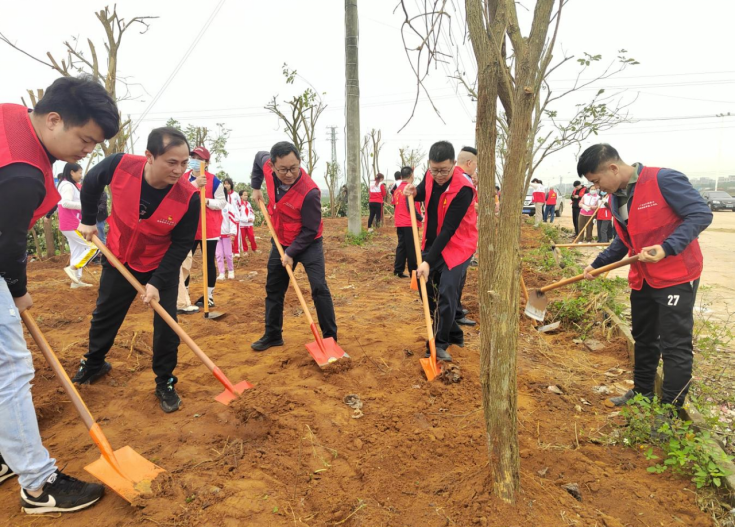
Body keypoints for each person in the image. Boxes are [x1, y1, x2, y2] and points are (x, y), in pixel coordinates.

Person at [1, 75, 118, 514]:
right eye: (85, 139)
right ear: (53, 119)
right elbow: (6, 244)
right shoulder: (22, 174)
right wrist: (17, 290)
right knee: (10, 368)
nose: (87, 151)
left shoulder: (11, 113)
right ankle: (37, 484)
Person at [72, 127, 200, 416]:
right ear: (149, 157)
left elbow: (181, 245)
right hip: (118, 258)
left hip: (159, 264)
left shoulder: (188, 198)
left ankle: (165, 381)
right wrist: (89, 220)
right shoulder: (120, 165)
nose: (179, 170)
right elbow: (91, 181)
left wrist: (156, 282)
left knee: (167, 326)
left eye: (184, 163)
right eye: (172, 162)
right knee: (105, 314)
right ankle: (94, 363)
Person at [579, 144, 712, 410]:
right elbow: (624, 240)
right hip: (643, 278)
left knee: (675, 344)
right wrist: (598, 264)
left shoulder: (663, 179)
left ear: (613, 168)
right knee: (644, 337)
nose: (597, 188)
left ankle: (670, 410)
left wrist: (666, 247)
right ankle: (642, 392)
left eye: (597, 181)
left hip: (675, 276)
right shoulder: (618, 195)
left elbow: (700, 214)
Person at [249, 142, 338, 351]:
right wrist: (255, 187)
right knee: (274, 288)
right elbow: (257, 156)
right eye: (283, 169)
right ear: (272, 166)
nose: (289, 174)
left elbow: (310, 230)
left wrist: (290, 253)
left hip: (309, 243)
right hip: (280, 239)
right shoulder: (266, 165)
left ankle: (330, 339)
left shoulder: (310, 193)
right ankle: (272, 335)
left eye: (294, 168)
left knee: (319, 288)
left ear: (299, 163)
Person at [404, 141, 478, 361]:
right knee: (424, 285)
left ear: (454, 164)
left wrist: (428, 262)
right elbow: (424, 193)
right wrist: (414, 191)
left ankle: (439, 342)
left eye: (444, 170)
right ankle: (452, 330)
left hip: (458, 244)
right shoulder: (430, 175)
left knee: (446, 289)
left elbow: (448, 230)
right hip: (433, 240)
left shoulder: (464, 189)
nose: (438, 175)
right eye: (434, 169)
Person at [185, 147, 226, 308]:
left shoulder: (215, 181)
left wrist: (207, 201)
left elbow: (222, 202)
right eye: (193, 157)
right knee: (184, 262)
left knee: (208, 262)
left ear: (207, 162)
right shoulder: (183, 179)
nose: (195, 160)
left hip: (209, 228)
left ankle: (208, 297)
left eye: (199, 158)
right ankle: (184, 295)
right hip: (188, 228)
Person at [56, 162, 99, 287]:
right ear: (72, 172)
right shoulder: (67, 185)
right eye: (79, 172)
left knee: (77, 251)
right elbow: (65, 203)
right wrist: (85, 206)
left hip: (70, 224)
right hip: (72, 224)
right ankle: (73, 268)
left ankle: (76, 281)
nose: (81, 175)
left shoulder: (69, 185)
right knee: (93, 248)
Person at [454, 146, 478, 327]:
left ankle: (457, 308)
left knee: (459, 277)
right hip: (460, 239)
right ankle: (455, 313)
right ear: (469, 163)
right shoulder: (462, 180)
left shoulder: (457, 177)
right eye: (476, 165)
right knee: (457, 277)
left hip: (461, 238)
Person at [392, 166, 423, 278]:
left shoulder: (397, 189)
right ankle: (413, 272)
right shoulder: (409, 188)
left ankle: (398, 270)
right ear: (411, 175)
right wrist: (420, 218)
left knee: (402, 246)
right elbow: (410, 207)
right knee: (412, 248)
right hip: (409, 223)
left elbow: (395, 205)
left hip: (400, 222)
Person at [216, 188, 238, 281]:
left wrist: (232, 233)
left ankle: (231, 271)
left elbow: (232, 220)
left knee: (228, 254)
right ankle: (221, 272)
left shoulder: (229, 207)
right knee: (219, 255)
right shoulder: (214, 206)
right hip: (216, 235)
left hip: (227, 234)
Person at [221, 177, 241, 257]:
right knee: (226, 235)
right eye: (225, 184)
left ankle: (236, 251)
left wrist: (238, 216)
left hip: (235, 218)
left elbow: (239, 206)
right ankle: (229, 252)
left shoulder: (235, 195)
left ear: (231, 184)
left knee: (235, 234)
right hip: (225, 218)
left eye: (228, 184)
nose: (226, 185)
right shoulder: (221, 195)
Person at [238, 189, 258, 255]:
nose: (246, 196)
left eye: (247, 195)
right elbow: (237, 215)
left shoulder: (248, 204)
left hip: (249, 223)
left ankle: (254, 249)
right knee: (243, 238)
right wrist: (246, 220)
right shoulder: (238, 205)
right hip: (242, 224)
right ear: (241, 196)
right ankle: (245, 251)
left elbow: (252, 212)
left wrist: (252, 218)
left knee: (251, 236)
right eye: (245, 195)